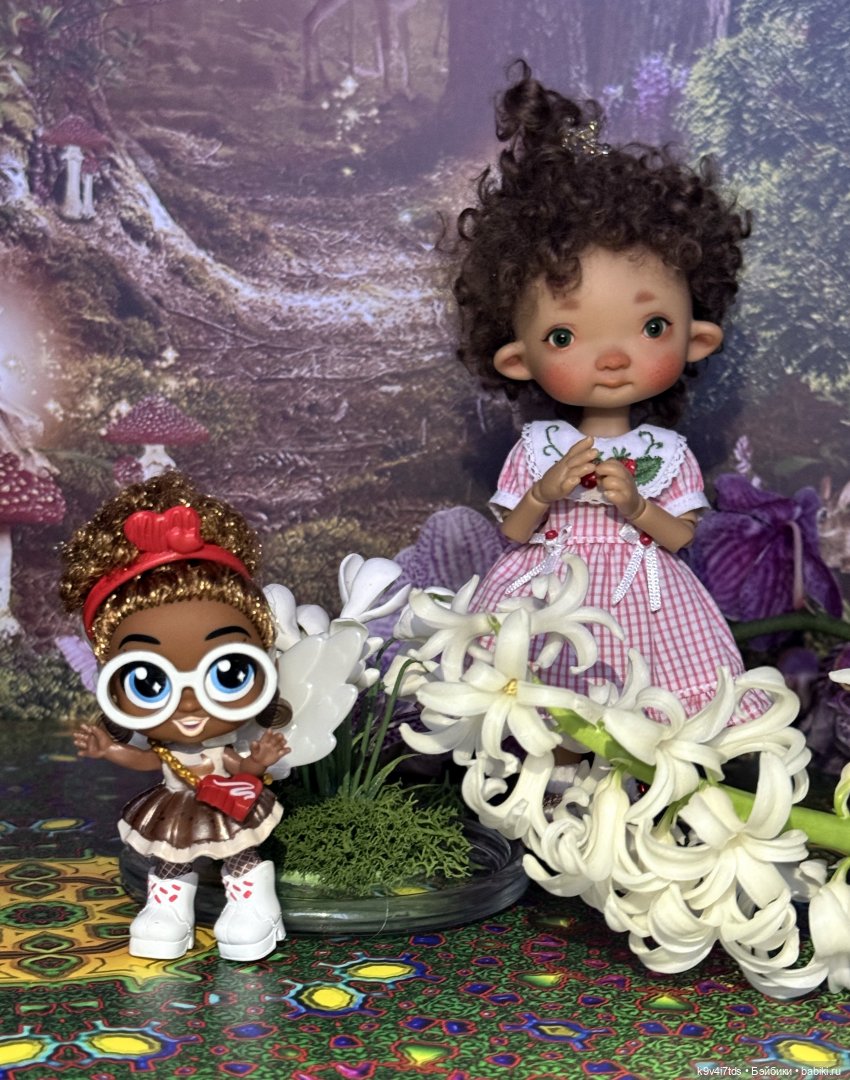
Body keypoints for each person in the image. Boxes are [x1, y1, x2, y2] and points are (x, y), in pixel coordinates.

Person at [453, 61, 755, 720]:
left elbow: (681, 538)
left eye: (652, 327)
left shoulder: (666, 455)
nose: (614, 358)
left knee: (649, 720)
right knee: (548, 718)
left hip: (647, 599)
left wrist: (638, 506)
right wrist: (545, 492)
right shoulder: (539, 446)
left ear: (697, 339)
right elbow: (514, 531)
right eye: (565, 336)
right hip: (547, 596)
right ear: (518, 360)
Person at [60, 472, 289, 962]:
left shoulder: (220, 742)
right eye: (149, 682)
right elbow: (149, 762)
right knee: (168, 859)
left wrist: (256, 762)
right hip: (175, 803)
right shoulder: (165, 747)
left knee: (238, 852)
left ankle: (253, 902)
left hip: (224, 800)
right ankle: (168, 908)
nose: (188, 704)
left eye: (227, 673)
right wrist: (109, 748)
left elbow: (237, 765)